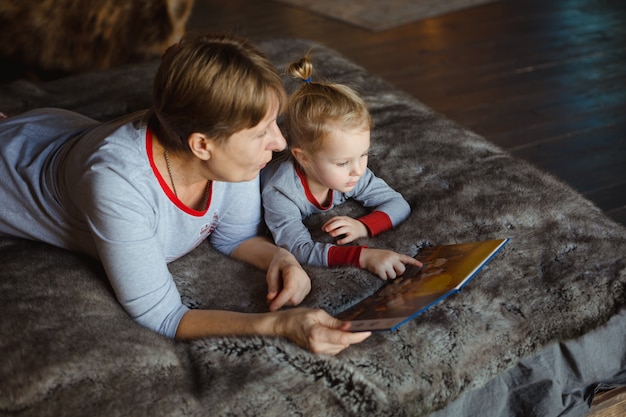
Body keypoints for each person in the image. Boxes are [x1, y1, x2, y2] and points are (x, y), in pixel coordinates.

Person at [0, 31, 370, 356]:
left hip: (56, 130)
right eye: (262, 133)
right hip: (12, 163)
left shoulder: (226, 152)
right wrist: (279, 326)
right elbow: (162, 314)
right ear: (201, 145)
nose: (280, 142)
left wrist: (281, 259)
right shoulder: (117, 185)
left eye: (275, 122)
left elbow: (234, 236)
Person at [261, 55, 421, 280]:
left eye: (363, 154)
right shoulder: (281, 193)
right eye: (343, 162)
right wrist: (361, 257)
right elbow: (297, 249)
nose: (358, 169)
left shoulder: (354, 175)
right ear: (303, 158)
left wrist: (363, 227)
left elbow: (398, 204)